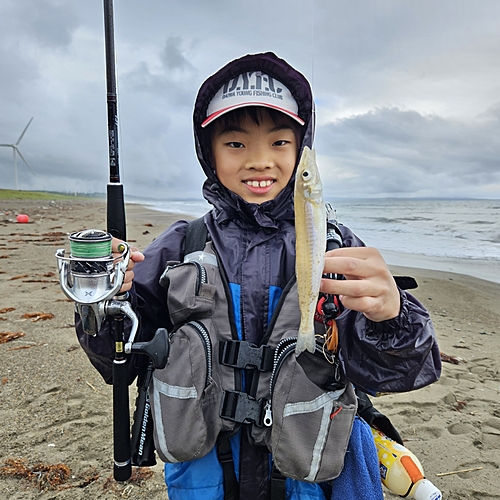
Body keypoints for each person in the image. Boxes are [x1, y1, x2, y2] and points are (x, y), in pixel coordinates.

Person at [76, 52, 441, 500]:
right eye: (235, 144)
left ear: (303, 150)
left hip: (304, 478)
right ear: (207, 152)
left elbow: (399, 372)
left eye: (280, 143)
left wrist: (392, 315)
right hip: (204, 473)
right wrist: (102, 299)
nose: (259, 161)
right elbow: (122, 362)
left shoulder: (336, 247)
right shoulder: (180, 246)